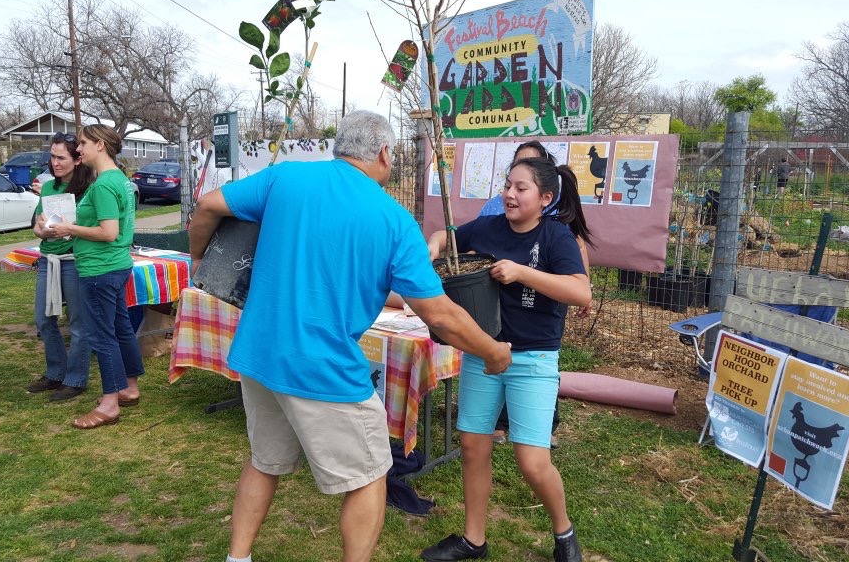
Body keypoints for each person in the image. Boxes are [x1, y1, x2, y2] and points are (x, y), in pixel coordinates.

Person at [188, 110, 512, 562]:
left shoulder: (284, 178)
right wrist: (493, 351)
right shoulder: (394, 220)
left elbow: (206, 206)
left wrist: (198, 260)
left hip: (259, 355)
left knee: (265, 461)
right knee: (368, 477)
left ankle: (237, 557)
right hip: (323, 367)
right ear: (383, 153)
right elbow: (439, 316)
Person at [422, 156, 590, 562]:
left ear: (545, 198)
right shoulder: (489, 227)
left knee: (532, 460)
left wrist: (521, 273)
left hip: (533, 361)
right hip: (484, 353)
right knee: (473, 445)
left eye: (521, 189)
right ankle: (473, 539)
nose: (509, 195)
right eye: (507, 186)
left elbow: (581, 292)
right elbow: (449, 235)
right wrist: (434, 245)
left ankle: (564, 533)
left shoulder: (555, 238)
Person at [480, 141, 594, 448]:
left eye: (524, 180)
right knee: (502, 355)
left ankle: (544, 421)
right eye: (510, 179)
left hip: (543, 306)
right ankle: (501, 422)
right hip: (501, 307)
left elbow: (577, 252)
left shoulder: (555, 219)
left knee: (537, 365)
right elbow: (472, 237)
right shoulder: (498, 206)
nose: (512, 192)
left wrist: (586, 287)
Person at [49, 124, 143, 428]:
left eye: (84, 143)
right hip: (116, 265)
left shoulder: (103, 184)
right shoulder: (120, 180)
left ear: (100, 145)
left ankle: (110, 403)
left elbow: (109, 232)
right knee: (120, 327)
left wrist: (69, 229)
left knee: (102, 335)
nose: (79, 149)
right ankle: (129, 387)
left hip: (99, 270)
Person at [25, 132, 96, 402]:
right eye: (52, 157)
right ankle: (55, 372)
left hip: (73, 260)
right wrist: (42, 232)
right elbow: (38, 224)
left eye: (61, 157)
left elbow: (92, 226)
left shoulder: (89, 189)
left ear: (77, 160)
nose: (55, 163)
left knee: (78, 322)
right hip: (48, 260)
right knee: (44, 319)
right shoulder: (49, 188)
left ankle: (76, 379)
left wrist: (70, 230)